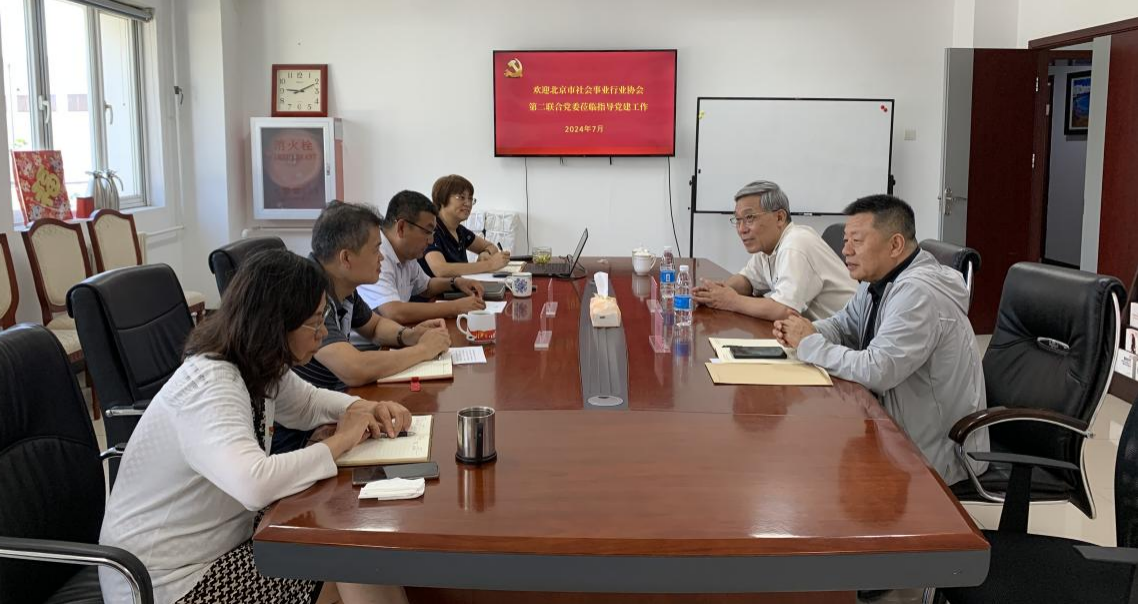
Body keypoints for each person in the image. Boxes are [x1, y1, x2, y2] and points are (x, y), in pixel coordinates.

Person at [99, 250, 410, 604]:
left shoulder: (255, 362)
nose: (323, 332)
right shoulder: (211, 384)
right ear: (275, 325)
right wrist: (343, 439)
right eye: (314, 322)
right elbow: (255, 484)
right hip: (165, 582)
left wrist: (365, 408)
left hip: (221, 542)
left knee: (352, 545)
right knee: (353, 557)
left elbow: (308, 404)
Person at [773, 194, 988, 486]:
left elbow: (877, 371)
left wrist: (809, 343)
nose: (845, 250)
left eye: (856, 241)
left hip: (935, 454)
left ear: (895, 245)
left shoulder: (918, 294)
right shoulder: (880, 279)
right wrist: (805, 330)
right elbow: (845, 326)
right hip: (892, 429)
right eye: (845, 240)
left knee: (808, 468)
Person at [692, 180, 856, 321]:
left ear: (779, 217)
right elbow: (748, 280)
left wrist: (731, 301)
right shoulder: (768, 247)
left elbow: (785, 310)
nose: (741, 229)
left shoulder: (796, 244)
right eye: (738, 220)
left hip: (846, 339)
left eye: (749, 218)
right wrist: (717, 292)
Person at [358, 190, 486, 323]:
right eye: (427, 231)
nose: (431, 240)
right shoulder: (377, 255)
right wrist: (455, 307)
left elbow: (426, 286)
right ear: (401, 228)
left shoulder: (406, 253)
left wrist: (456, 282)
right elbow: (394, 312)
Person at [420, 174, 511, 277]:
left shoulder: (459, 230)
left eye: (470, 199)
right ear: (442, 199)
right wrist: (489, 264)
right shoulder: (431, 229)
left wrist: (486, 253)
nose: (468, 204)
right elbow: (441, 270)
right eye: (461, 197)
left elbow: (490, 246)